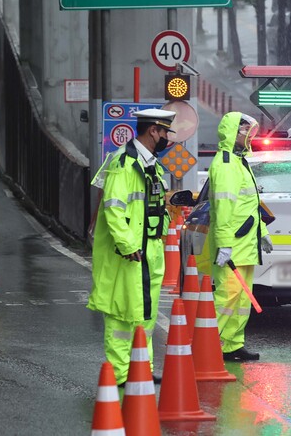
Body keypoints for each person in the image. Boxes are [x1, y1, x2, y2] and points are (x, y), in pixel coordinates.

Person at [87, 108, 176, 386]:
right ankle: (121, 373)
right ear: (153, 131)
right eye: (165, 133)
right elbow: (113, 207)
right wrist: (127, 244)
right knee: (121, 312)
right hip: (128, 252)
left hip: (148, 250)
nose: (167, 139)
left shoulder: (150, 164)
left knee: (144, 312)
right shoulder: (124, 162)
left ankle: (142, 368)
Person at [200, 111, 273, 361]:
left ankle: (231, 345)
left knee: (241, 299)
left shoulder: (238, 162)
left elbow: (248, 206)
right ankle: (206, 347)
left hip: (245, 246)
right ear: (234, 133)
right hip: (233, 246)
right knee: (227, 298)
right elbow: (223, 210)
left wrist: (261, 232)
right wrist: (224, 245)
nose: (250, 136)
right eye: (246, 132)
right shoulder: (226, 164)